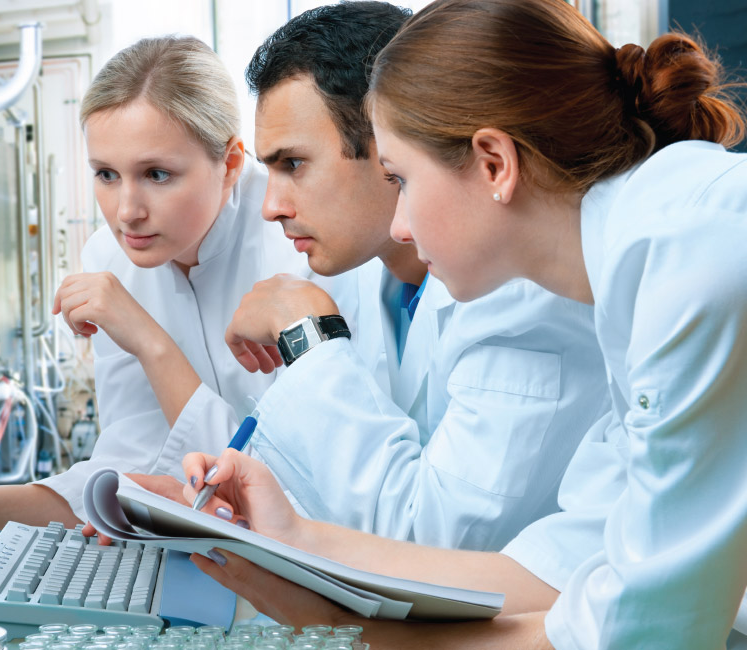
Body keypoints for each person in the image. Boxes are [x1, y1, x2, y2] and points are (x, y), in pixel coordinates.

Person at [181, 0, 747, 647]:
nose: (399, 225)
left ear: (494, 165)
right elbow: (563, 571)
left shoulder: (685, 261)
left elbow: (652, 628)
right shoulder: (640, 272)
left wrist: (346, 629)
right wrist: (295, 537)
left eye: (400, 177)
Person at [0, 36, 309, 556]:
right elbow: (126, 472)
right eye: (106, 174)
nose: (127, 211)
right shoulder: (110, 255)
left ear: (232, 163)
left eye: (157, 174)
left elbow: (276, 492)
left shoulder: (297, 247)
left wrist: (149, 341)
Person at [225, 1, 609, 551]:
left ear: (391, 137)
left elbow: (434, 540)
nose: (271, 206)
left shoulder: (521, 284)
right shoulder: (356, 274)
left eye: (293, 164)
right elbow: (331, 491)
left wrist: (311, 342)